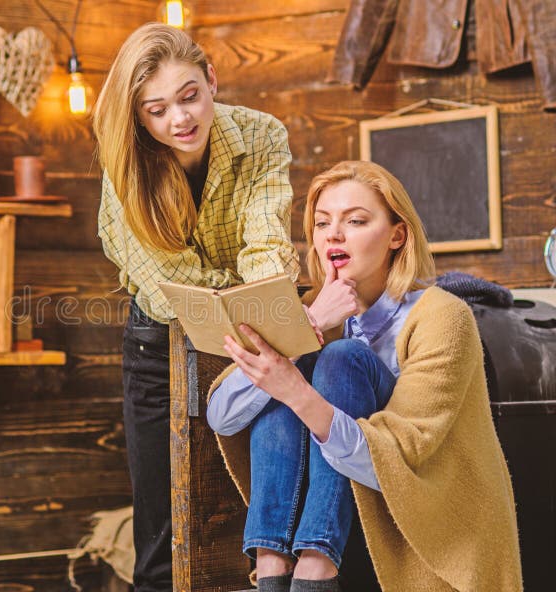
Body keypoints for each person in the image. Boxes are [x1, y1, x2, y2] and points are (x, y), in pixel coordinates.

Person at [207, 160, 522, 592]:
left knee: (337, 360)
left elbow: (398, 463)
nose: (333, 234)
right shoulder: (310, 309)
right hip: (349, 528)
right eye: (321, 223)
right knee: (285, 372)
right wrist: (306, 328)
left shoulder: (443, 316)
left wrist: (297, 390)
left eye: (355, 220)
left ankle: (315, 566)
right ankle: (272, 564)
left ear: (397, 235)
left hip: (426, 528)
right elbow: (222, 416)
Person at [93, 22, 300, 592]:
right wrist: (254, 299)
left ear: (211, 79)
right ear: (138, 116)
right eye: (157, 110)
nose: (179, 120)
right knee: (163, 531)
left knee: (241, 512)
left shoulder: (261, 135)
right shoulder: (126, 163)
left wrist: (265, 299)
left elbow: (264, 240)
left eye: (189, 96)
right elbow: (170, 281)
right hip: (158, 346)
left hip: (255, 338)